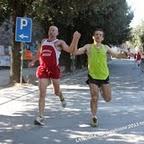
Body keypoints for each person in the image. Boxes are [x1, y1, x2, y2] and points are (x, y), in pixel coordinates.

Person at [73, 28, 128, 127]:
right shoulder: (88, 47)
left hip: (104, 76)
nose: (98, 36)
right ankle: (94, 117)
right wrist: (76, 39)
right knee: (94, 97)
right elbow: (75, 52)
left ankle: (102, 90)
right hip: (93, 76)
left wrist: (125, 54)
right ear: (93, 37)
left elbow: (117, 55)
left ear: (102, 38)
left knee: (108, 99)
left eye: (100, 35)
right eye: (96, 34)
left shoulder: (106, 47)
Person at [29, 25, 81, 125]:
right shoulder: (44, 41)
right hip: (43, 69)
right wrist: (33, 61)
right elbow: (39, 53)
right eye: (50, 30)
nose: (51, 32)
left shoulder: (59, 42)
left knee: (56, 92)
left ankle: (61, 96)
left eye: (54, 30)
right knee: (42, 93)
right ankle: (40, 116)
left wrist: (75, 38)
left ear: (57, 33)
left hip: (54, 70)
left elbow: (70, 50)